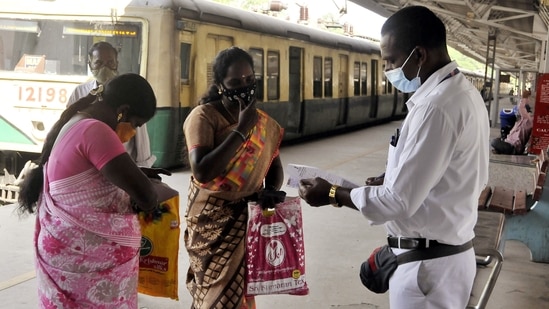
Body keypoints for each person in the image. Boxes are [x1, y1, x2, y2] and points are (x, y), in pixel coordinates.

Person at [298, 6, 489, 309]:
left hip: (426, 272)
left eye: (392, 60)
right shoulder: (463, 93)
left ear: (420, 55)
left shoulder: (436, 107)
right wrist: (396, 175)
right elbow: (452, 173)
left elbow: (397, 202)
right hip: (440, 262)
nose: (388, 70)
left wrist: (333, 193)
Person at [17, 73, 159, 308]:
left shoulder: (77, 120)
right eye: (135, 124)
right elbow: (147, 197)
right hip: (83, 261)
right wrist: (149, 186)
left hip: (65, 252)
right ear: (122, 110)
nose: (132, 132)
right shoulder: (97, 131)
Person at [182, 46, 284, 309]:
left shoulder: (262, 122)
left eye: (250, 80)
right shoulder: (204, 116)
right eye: (235, 83)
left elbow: (274, 165)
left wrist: (271, 189)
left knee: (240, 293)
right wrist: (241, 129)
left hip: (246, 221)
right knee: (213, 296)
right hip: (212, 222)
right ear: (220, 86)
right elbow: (202, 171)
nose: (245, 87)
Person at [68, 41, 156, 167]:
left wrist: (144, 169)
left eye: (110, 62)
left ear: (117, 64)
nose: (105, 68)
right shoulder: (79, 93)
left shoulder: (130, 93)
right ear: (90, 65)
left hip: (124, 165)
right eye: (98, 63)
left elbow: (141, 138)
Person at [491, 89, 533, 155]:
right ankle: (500, 150)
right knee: (497, 140)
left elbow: (521, 108)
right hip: (509, 143)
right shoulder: (521, 121)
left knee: (493, 142)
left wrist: (524, 98)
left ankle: (501, 150)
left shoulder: (528, 120)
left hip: (513, 147)